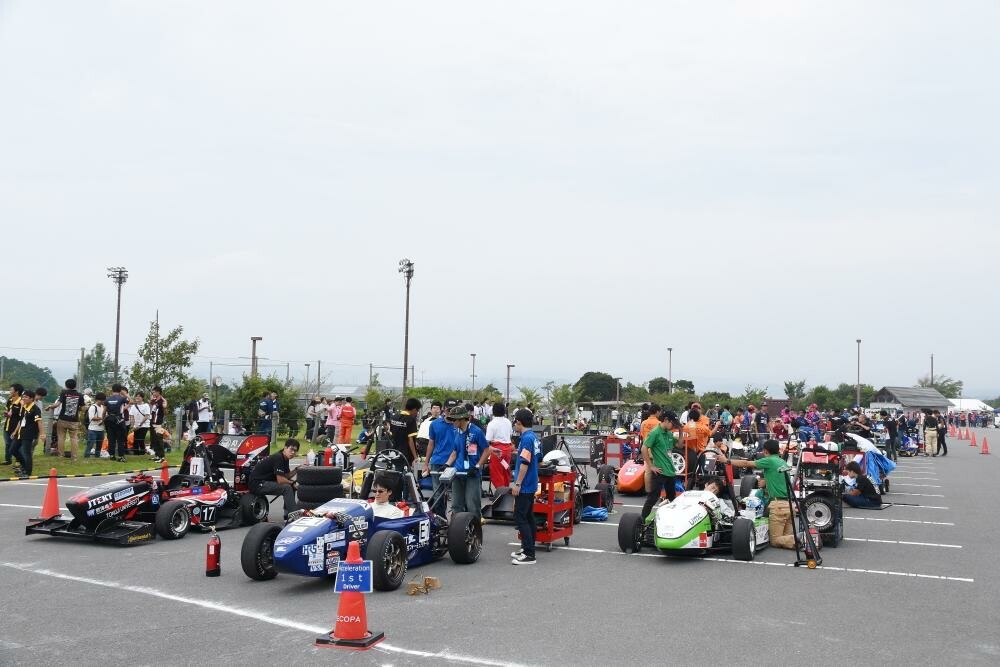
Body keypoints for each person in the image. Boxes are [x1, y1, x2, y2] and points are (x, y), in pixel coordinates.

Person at [719, 440, 795, 549]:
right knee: (787, 538)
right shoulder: (782, 462)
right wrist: (766, 482)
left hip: (778, 506)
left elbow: (747, 464)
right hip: (789, 505)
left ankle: (803, 538)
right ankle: (803, 540)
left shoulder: (769, 460)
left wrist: (727, 460)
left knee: (775, 540)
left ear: (765, 451)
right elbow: (780, 481)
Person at [445, 405, 489, 520]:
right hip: (458, 472)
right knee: (456, 504)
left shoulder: (476, 431)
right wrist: (447, 464)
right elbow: (455, 451)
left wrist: (478, 466)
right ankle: (457, 529)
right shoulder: (456, 432)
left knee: (472, 504)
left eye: (454, 420)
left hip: (472, 473)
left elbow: (487, 450)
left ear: (461, 419)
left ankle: (475, 530)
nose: (452, 422)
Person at [510, 409, 540, 565]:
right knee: (528, 517)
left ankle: (529, 554)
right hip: (531, 483)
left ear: (519, 422)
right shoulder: (533, 437)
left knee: (521, 517)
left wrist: (517, 483)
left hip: (525, 484)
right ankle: (527, 548)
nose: (514, 424)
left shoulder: (527, 439)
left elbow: (524, 463)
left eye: (515, 421)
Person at [640, 410, 680, 521]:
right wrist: (651, 465)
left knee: (671, 499)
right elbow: (644, 448)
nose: (673, 427)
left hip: (670, 471)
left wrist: (681, 431)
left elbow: (680, 445)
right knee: (653, 497)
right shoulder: (655, 432)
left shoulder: (669, 433)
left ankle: (669, 519)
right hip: (659, 471)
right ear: (666, 420)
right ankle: (642, 520)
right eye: (673, 424)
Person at [249, 438, 302, 520]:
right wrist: (291, 483)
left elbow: (285, 476)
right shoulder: (278, 458)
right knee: (287, 487)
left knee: (290, 485)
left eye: (295, 451)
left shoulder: (285, 458)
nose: (293, 452)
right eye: (291, 449)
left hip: (265, 482)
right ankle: (295, 517)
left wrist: (297, 469)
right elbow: (280, 480)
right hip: (257, 484)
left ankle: (287, 514)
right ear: (285, 448)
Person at [423, 399, 458, 516]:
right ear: (444, 409)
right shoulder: (434, 424)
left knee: (457, 493)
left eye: (453, 410)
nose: (450, 412)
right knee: (438, 494)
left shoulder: (459, 424)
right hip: (437, 461)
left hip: (456, 463)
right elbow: (431, 444)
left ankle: (457, 519)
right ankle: (441, 518)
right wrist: (426, 463)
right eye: (448, 410)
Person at [11, 389, 43, 478]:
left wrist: (42, 434)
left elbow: (39, 422)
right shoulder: (23, 407)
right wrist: (15, 431)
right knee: (13, 450)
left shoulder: (35, 409)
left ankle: (27, 472)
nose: (23, 398)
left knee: (26, 453)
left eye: (26, 397)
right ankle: (24, 466)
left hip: (28, 434)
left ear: (32, 399)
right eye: (23, 396)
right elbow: (21, 420)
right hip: (20, 433)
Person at [49, 378, 83, 461]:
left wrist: (50, 406)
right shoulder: (80, 395)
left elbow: (57, 404)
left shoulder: (64, 393)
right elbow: (83, 407)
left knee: (61, 437)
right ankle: (74, 457)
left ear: (66, 386)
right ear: (75, 386)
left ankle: (61, 455)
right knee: (74, 438)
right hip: (74, 420)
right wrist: (77, 409)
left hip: (63, 419)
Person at [485, 401, 514, 488]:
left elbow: (488, 440)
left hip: (497, 450)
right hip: (507, 450)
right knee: (505, 470)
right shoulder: (508, 422)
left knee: (496, 472)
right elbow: (510, 434)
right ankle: (506, 489)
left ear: (493, 411)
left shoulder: (492, 423)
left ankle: (501, 494)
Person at [389, 398, 421, 466]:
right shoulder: (411, 419)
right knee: (407, 475)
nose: (417, 413)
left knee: (397, 473)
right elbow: (410, 440)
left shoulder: (394, 417)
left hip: (394, 452)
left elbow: (392, 434)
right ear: (414, 409)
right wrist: (415, 457)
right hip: (406, 455)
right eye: (417, 411)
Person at [103, 384, 129, 463]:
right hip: (119, 419)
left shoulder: (107, 399)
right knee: (120, 439)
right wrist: (126, 394)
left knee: (111, 438)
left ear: (112, 390)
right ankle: (121, 456)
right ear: (120, 390)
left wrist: (103, 420)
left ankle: (112, 455)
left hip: (109, 419)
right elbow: (131, 402)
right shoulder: (122, 398)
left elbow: (104, 411)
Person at [3, 383, 24, 466]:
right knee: (8, 444)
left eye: (11, 390)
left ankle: (19, 461)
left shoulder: (22, 402)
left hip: (16, 427)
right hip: (7, 425)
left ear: (16, 391)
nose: (10, 391)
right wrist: (6, 413)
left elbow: (21, 416)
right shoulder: (10, 400)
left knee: (16, 445)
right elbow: (9, 412)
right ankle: (8, 460)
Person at [85, 392, 106, 459]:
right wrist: (102, 418)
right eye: (101, 400)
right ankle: (86, 456)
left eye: (103, 400)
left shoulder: (103, 407)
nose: (102, 402)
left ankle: (97, 456)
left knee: (99, 444)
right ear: (97, 400)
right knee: (90, 443)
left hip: (101, 429)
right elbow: (92, 418)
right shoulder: (93, 407)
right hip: (93, 429)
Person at [148, 386, 167, 462]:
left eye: (154, 392)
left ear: (158, 392)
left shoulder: (162, 400)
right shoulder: (155, 400)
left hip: (158, 422)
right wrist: (151, 402)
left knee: (159, 439)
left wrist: (165, 407)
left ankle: (162, 457)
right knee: (154, 439)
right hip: (152, 421)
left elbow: (165, 413)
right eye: (153, 392)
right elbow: (151, 408)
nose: (153, 393)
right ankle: (157, 455)